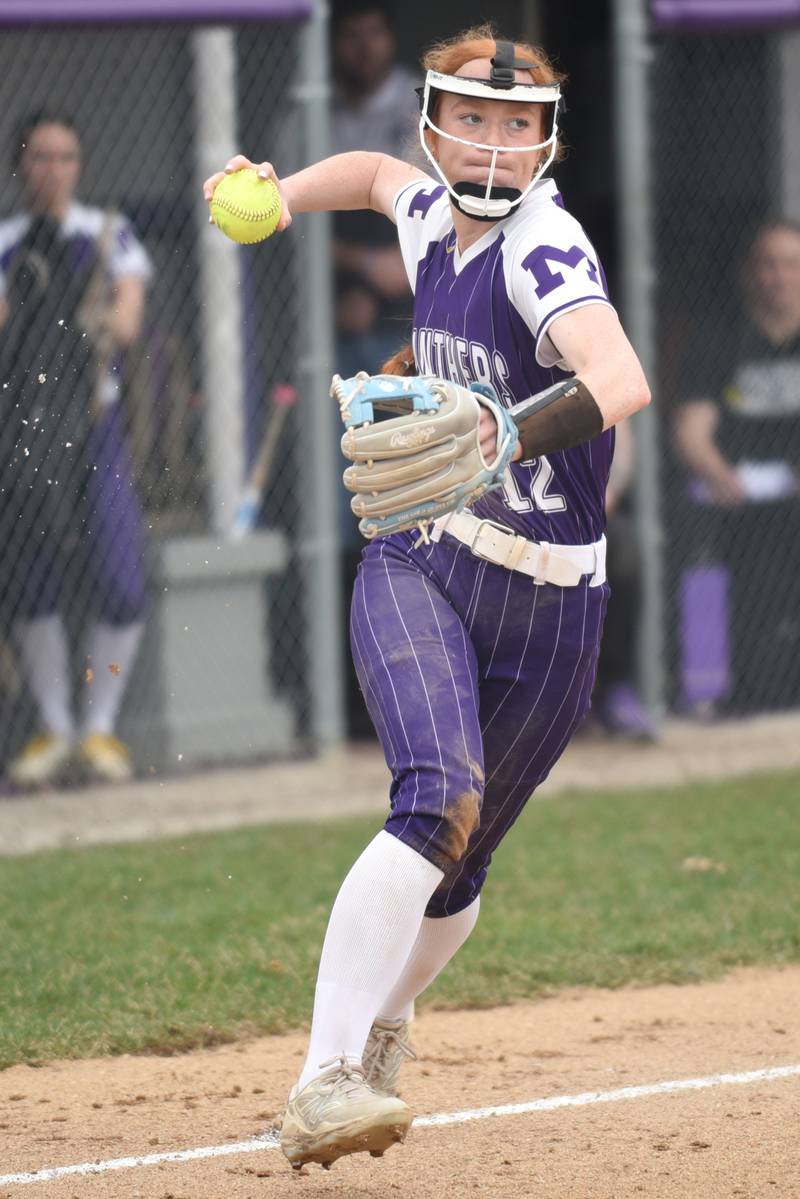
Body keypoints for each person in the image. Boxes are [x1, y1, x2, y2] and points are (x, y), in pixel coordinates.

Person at [204, 24, 650, 1171]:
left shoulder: (541, 250)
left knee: (463, 859)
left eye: (516, 123)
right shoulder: (423, 212)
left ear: (547, 141)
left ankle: (383, 1025)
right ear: (433, 117)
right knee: (434, 795)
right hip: (429, 555)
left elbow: (618, 379)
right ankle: (320, 1079)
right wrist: (278, 191)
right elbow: (366, 178)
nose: (493, 144)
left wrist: (507, 424)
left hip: (556, 603)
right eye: (473, 116)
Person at [0, 112, 151, 787]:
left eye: (65, 157)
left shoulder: (107, 234)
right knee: (33, 573)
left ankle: (99, 727)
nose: (52, 170)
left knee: (119, 571)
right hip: (24, 427)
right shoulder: (7, 243)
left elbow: (124, 321)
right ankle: (55, 726)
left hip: (93, 422)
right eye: (39, 157)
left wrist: (77, 308)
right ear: (20, 165)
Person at [673, 219, 800, 715]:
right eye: (768, 264)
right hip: (735, 493)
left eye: (790, 264)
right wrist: (717, 472)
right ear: (750, 274)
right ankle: (722, 691)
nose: (779, 276)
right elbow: (691, 428)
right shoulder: (720, 336)